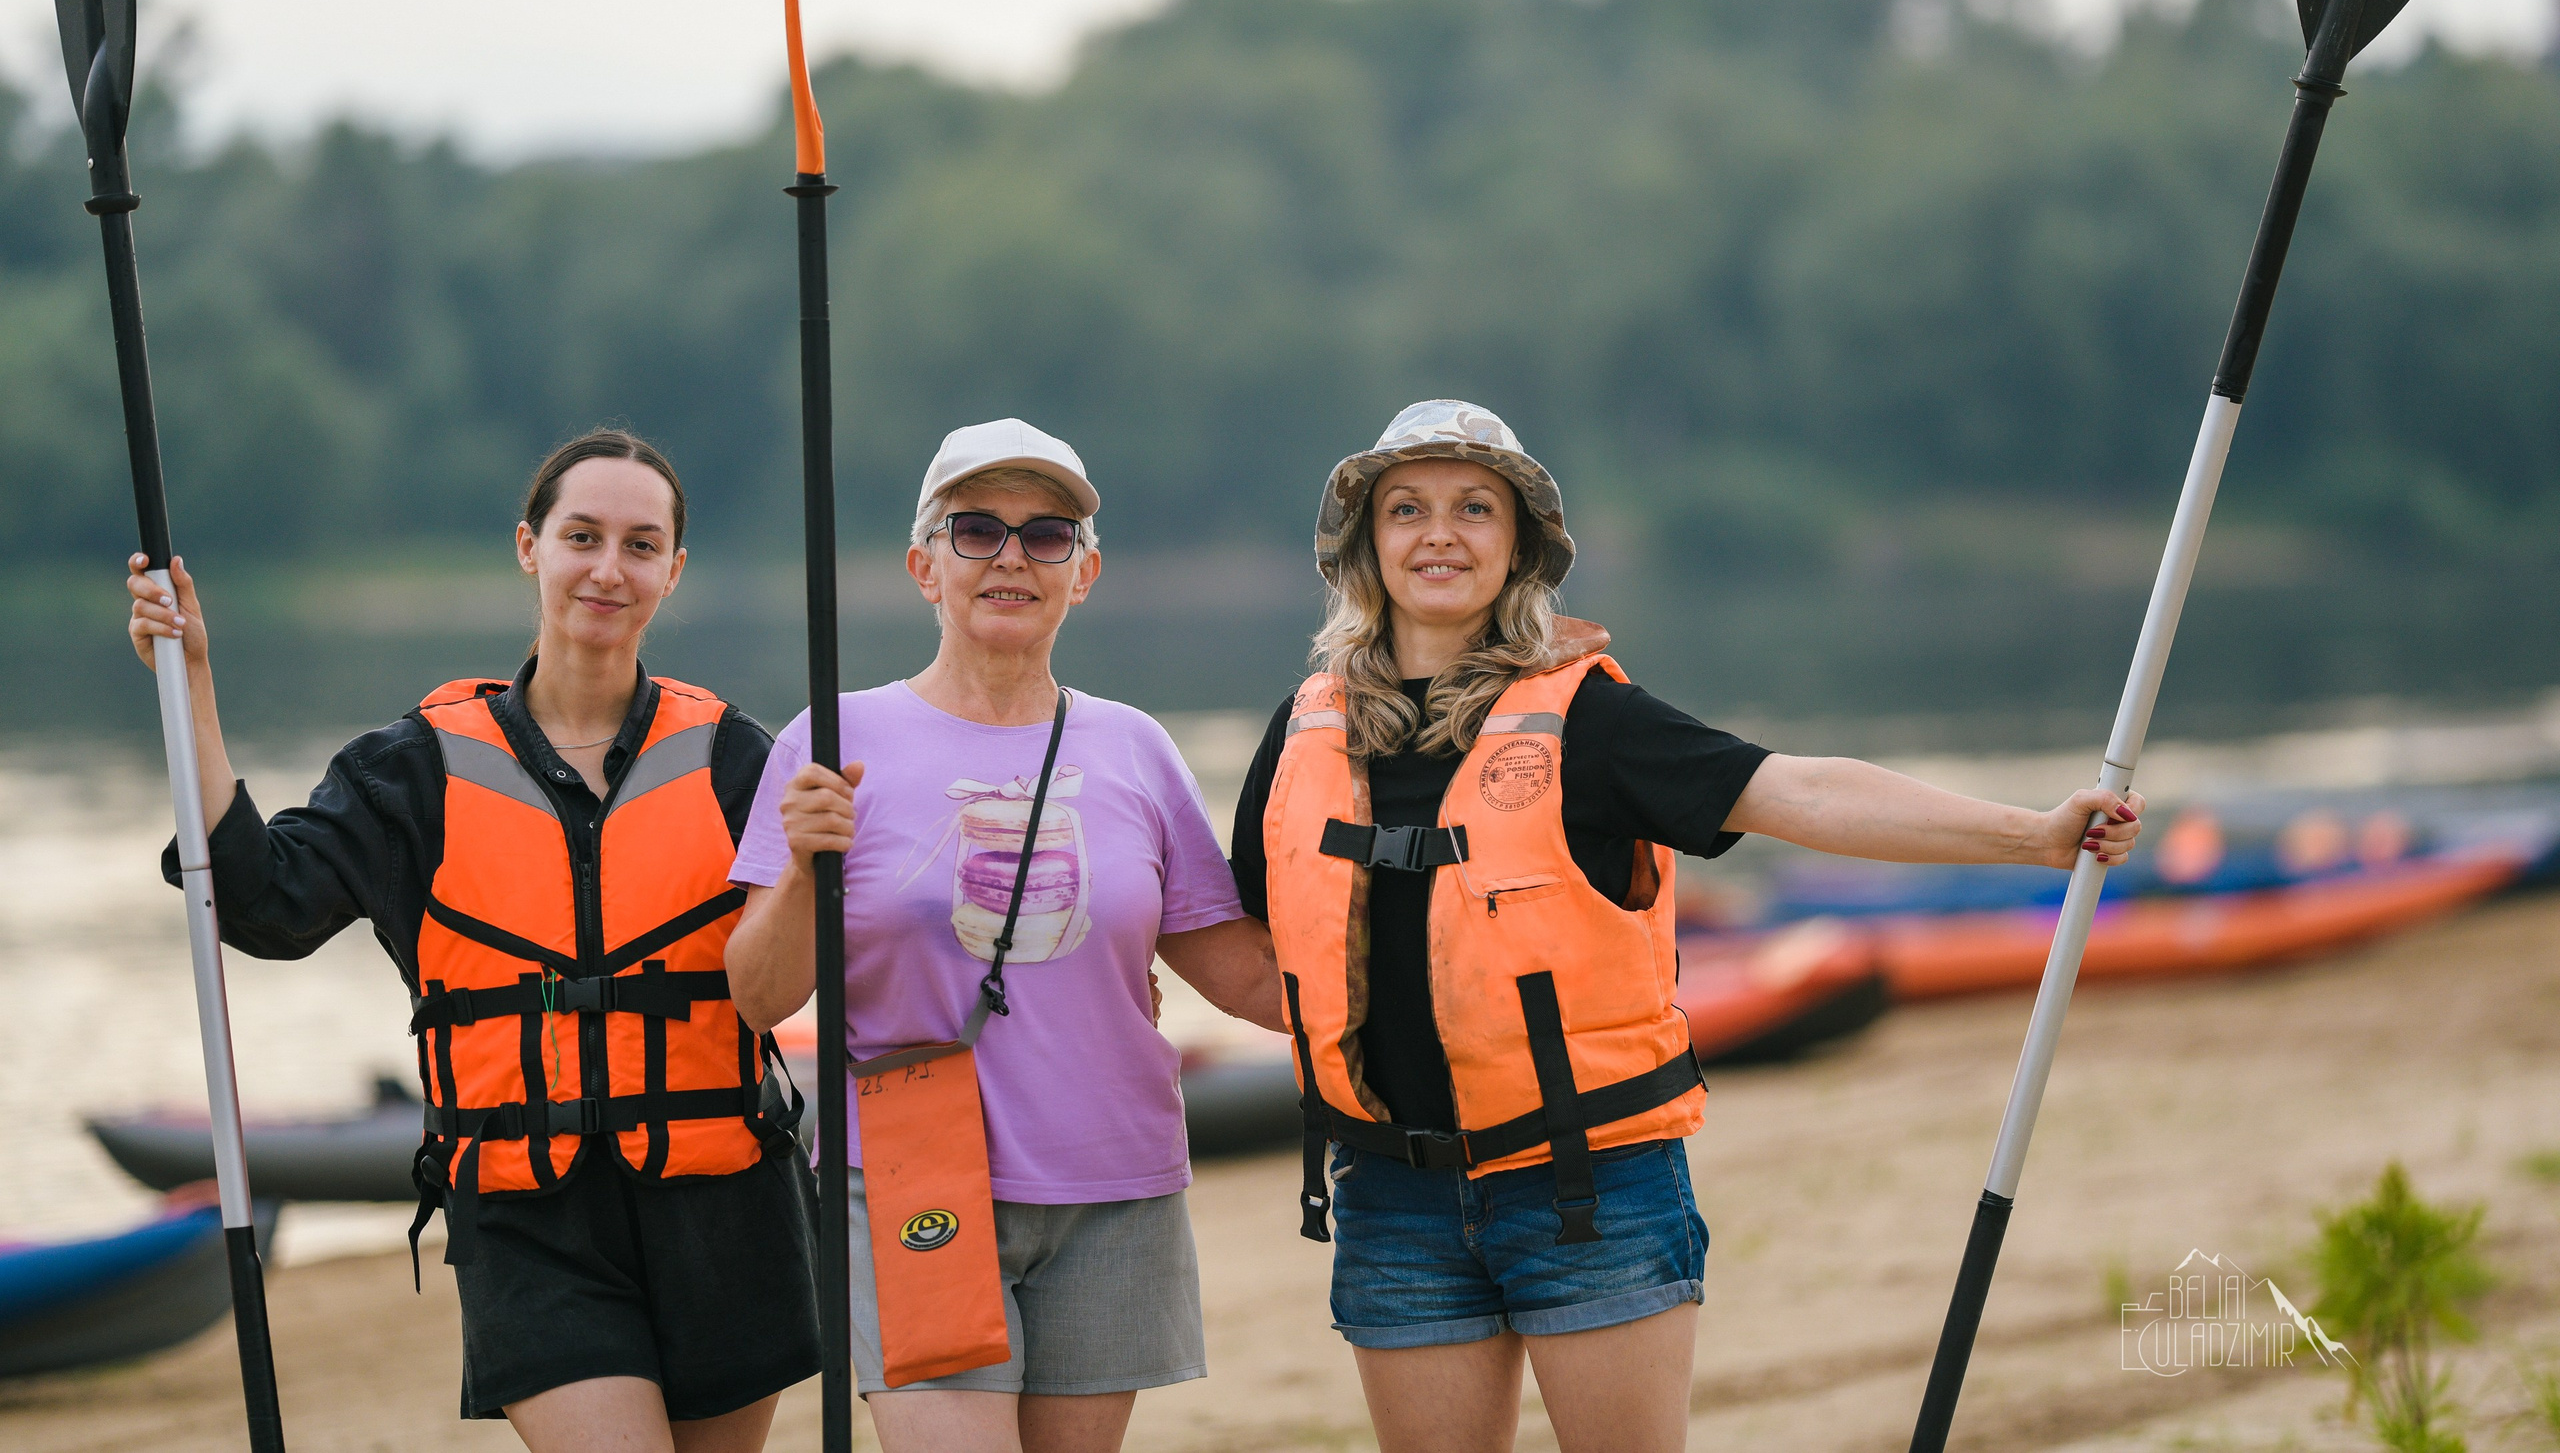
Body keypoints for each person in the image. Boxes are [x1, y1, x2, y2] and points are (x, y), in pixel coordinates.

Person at [1228, 400, 2146, 1453]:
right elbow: (1240, 926)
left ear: (1520, 544)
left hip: (1586, 1186)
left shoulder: (1591, 722)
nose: (1439, 533)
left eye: (1474, 507)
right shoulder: (1306, 729)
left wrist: (2031, 837)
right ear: (1366, 545)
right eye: (1407, 510)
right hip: (1391, 1194)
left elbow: (1793, 790)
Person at [124, 428, 820, 1453]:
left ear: (673, 571)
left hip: (723, 1214)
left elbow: (799, 973)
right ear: (528, 546)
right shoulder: (414, 770)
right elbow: (260, 901)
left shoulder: (735, 759)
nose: (607, 568)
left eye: (639, 544)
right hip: (530, 1226)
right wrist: (191, 691)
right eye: (581, 535)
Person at [725, 417, 1284, 1453]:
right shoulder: (833, 739)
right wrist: (803, 868)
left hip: (1111, 1177)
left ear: (1087, 570)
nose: (1013, 558)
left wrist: (1435, 985)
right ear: (923, 567)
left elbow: (1241, 973)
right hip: (911, 1173)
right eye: (976, 530)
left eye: (1047, 535)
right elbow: (759, 998)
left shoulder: (1137, 748)